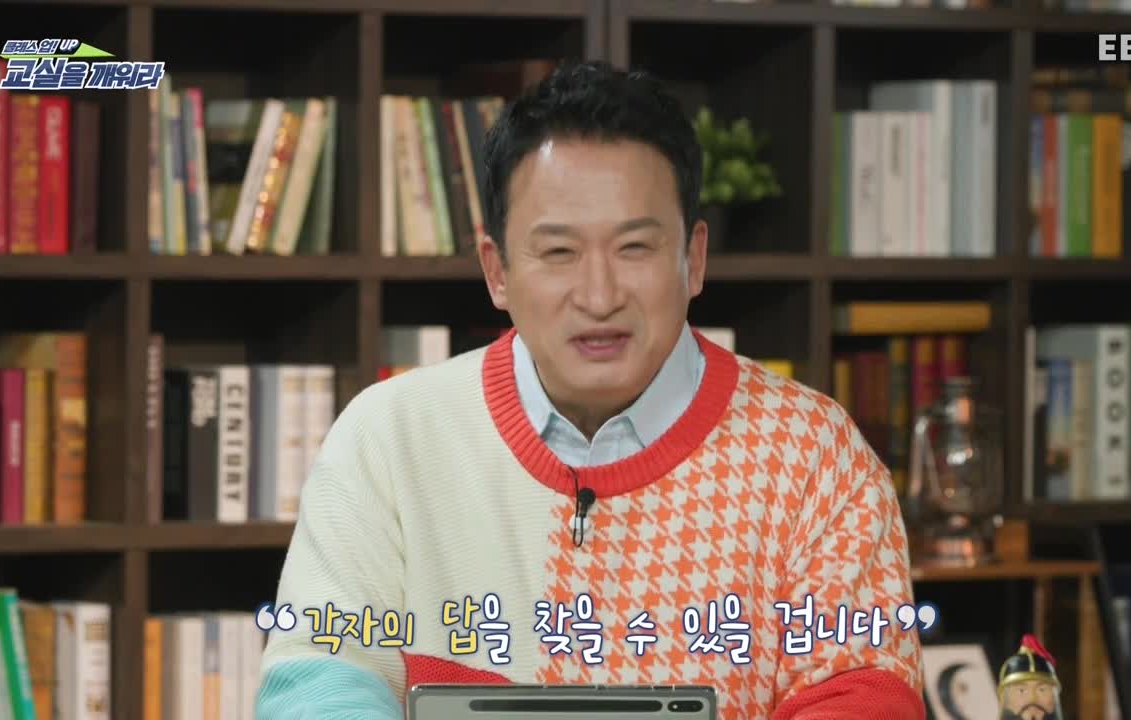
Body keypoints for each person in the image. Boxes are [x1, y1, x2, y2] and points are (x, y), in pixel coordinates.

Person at [255, 59, 924, 719]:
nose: (599, 297)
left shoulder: (814, 456)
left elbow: (862, 699)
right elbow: (321, 683)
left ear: (693, 259)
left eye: (635, 248)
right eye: (558, 252)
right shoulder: (390, 436)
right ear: (497, 271)